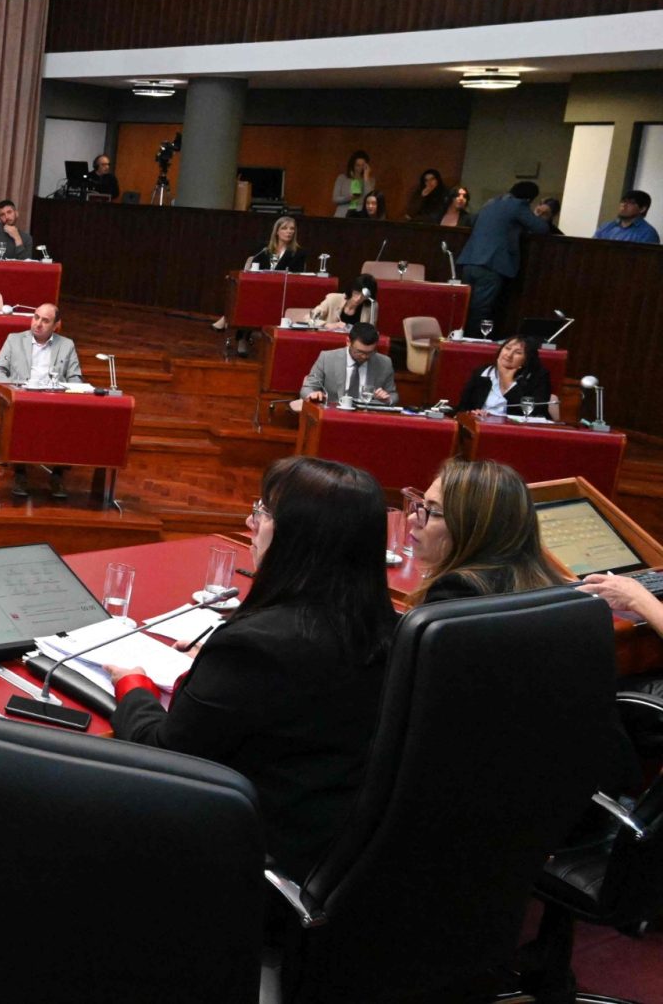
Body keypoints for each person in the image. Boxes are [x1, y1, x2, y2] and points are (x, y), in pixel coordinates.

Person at [105, 457, 394, 880]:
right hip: (334, 847)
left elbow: (165, 756)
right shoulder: (389, 628)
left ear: (299, 536)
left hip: (250, 859)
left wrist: (133, 686)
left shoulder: (257, 646)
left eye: (263, 512)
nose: (249, 523)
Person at [405, 460, 564, 603]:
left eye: (433, 511)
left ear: (475, 528)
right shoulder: (553, 587)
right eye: (421, 505)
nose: (412, 518)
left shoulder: (454, 592)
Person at [0, 304, 81, 500]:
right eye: (36, 317)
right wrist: (14, 388)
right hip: (22, 401)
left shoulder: (66, 345)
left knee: (70, 420)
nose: (38, 324)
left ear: (56, 325)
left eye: (45, 321)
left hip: (55, 403)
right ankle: (20, 473)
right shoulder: (14, 340)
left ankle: (57, 475)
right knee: (20, 417)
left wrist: (70, 390)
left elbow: (75, 378)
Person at [457, 180, 548, 331]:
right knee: (481, 310)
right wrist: (539, 214)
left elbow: (473, 221)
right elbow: (541, 228)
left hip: (470, 260)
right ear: (529, 199)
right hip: (491, 264)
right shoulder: (519, 205)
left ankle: (461, 337)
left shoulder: (491, 202)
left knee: (466, 307)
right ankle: (474, 341)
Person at [214, 215, 304, 352]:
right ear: (277, 231)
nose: (289, 231)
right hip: (261, 287)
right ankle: (242, 337)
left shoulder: (298, 253)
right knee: (249, 294)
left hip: (282, 291)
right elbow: (253, 269)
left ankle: (230, 322)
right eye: (285, 228)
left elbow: (297, 276)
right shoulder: (264, 249)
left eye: (292, 229)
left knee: (252, 298)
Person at [295, 322, 397, 410]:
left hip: (367, 416)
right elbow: (307, 388)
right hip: (333, 414)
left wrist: (387, 399)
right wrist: (313, 394)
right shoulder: (327, 358)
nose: (364, 356)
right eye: (359, 352)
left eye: (370, 352)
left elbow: (393, 395)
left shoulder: (384, 363)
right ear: (348, 342)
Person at [455, 335, 553, 419]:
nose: (509, 355)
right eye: (507, 348)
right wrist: (473, 413)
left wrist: (507, 383)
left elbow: (535, 411)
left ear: (527, 359)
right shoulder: (483, 372)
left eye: (518, 353)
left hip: (516, 430)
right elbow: (463, 408)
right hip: (482, 427)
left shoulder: (538, 377)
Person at [308, 273, 378, 329]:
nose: (359, 298)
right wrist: (327, 325)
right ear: (351, 290)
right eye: (356, 293)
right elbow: (309, 318)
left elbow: (371, 331)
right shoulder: (333, 299)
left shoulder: (371, 306)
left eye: (363, 296)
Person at [593, 189, 659, 244]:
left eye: (630, 202)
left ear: (642, 209)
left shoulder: (648, 233)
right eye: (623, 201)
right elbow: (592, 248)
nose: (624, 205)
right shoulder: (606, 226)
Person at [331, 150, 374, 218]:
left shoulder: (370, 180)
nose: (360, 168)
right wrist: (349, 198)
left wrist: (366, 177)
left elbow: (369, 199)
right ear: (353, 165)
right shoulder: (342, 178)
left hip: (360, 216)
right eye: (358, 165)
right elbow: (335, 199)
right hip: (342, 215)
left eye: (363, 165)